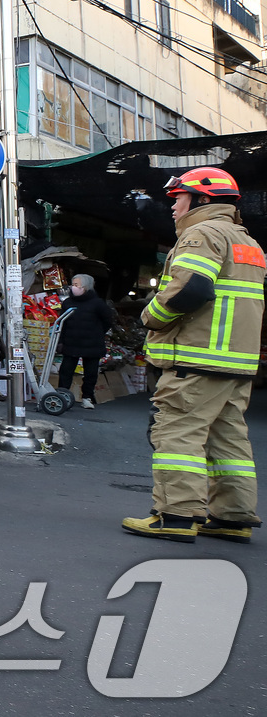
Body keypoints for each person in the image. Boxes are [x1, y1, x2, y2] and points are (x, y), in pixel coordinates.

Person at [122, 168, 263, 543]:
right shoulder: (247, 243)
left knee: (177, 435)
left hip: (197, 358)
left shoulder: (202, 234)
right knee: (227, 440)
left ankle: (175, 515)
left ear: (203, 200)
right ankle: (232, 518)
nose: (172, 207)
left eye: (178, 198)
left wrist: (151, 316)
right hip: (235, 363)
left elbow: (191, 290)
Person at [55, 273, 115, 409]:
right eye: (72, 284)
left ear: (86, 287)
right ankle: (62, 395)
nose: (73, 287)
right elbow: (62, 324)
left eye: (76, 285)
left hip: (92, 344)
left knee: (91, 373)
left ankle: (87, 397)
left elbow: (108, 321)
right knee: (65, 371)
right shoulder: (68, 303)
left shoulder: (98, 304)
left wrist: (97, 333)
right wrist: (61, 341)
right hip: (71, 342)